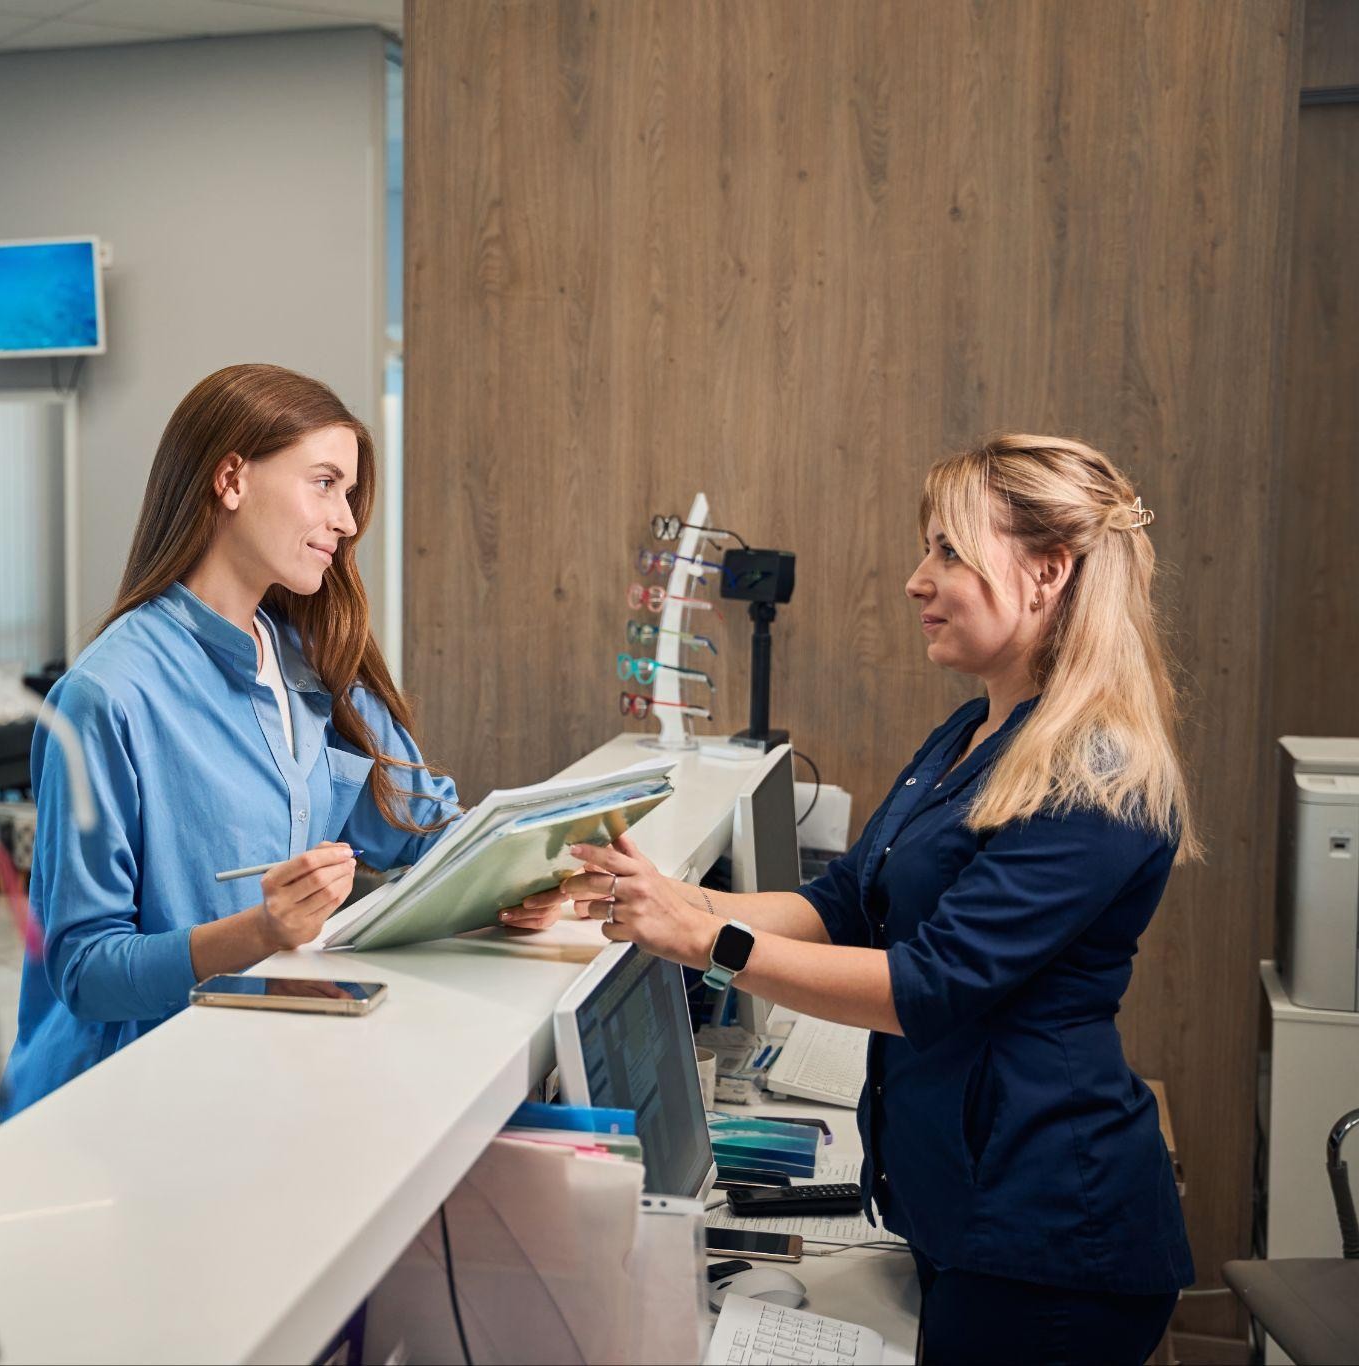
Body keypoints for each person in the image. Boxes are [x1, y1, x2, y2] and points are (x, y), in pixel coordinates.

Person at [506, 435, 1196, 1363]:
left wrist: (707, 943)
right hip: (970, 1206)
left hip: (1049, 1238)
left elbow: (929, 987)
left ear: (1046, 574)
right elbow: (846, 903)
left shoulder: (1094, 774)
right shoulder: (977, 728)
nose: (917, 580)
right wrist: (672, 903)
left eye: (949, 551)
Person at [0, 364, 459, 1118]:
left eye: (348, 494)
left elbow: (421, 829)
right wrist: (260, 931)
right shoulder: (106, 696)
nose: (346, 521)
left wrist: (531, 874)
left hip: (254, 1074)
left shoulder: (311, 661)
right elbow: (84, 972)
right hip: (118, 1107)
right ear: (232, 479)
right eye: (325, 484)